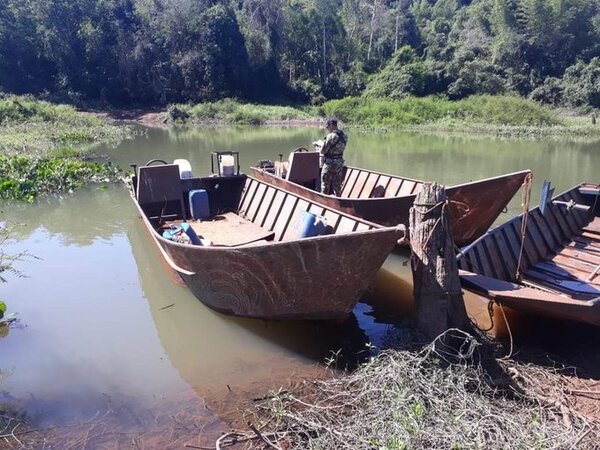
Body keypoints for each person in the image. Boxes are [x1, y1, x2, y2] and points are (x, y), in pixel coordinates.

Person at [316, 117, 347, 196]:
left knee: (325, 184)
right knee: (337, 185)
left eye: (327, 126)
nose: (326, 128)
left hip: (330, 163)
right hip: (339, 162)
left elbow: (323, 151)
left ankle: (324, 202)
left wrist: (319, 147)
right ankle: (339, 201)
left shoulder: (331, 136)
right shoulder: (344, 136)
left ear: (332, 125)